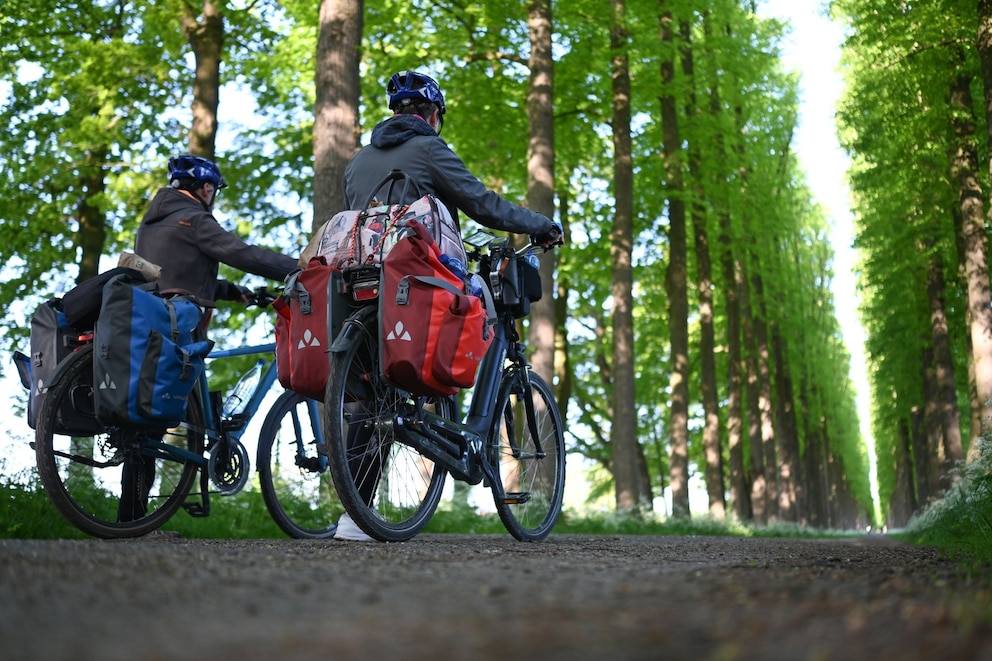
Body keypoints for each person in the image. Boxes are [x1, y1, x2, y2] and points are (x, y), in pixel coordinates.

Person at [336, 72, 562, 542]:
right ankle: (460, 414)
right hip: (418, 277)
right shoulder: (428, 148)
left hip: (366, 281)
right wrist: (539, 223)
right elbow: (481, 203)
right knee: (481, 300)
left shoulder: (358, 161)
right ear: (432, 114)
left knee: (374, 393)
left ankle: (352, 518)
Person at [119, 155, 298, 524]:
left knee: (147, 422)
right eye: (214, 190)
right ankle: (136, 524)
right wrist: (300, 267)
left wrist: (238, 292)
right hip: (180, 327)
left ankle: (130, 521)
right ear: (206, 188)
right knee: (153, 426)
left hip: (147, 324)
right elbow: (239, 252)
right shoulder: (196, 219)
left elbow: (174, 275)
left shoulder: (152, 225)